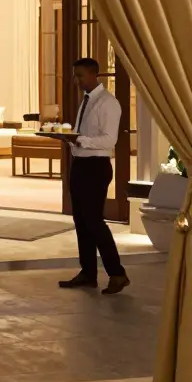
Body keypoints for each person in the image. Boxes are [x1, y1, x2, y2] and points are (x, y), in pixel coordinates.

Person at [57, 57, 129, 295]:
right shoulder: (86, 100)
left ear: (93, 75)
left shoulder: (108, 103)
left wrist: (80, 140)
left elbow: (110, 140)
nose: (76, 80)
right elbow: (82, 135)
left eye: (80, 76)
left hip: (96, 168)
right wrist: (69, 139)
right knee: (81, 221)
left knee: (94, 221)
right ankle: (88, 273)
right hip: (80, 164)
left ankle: (117, 274)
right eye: (75, 75)